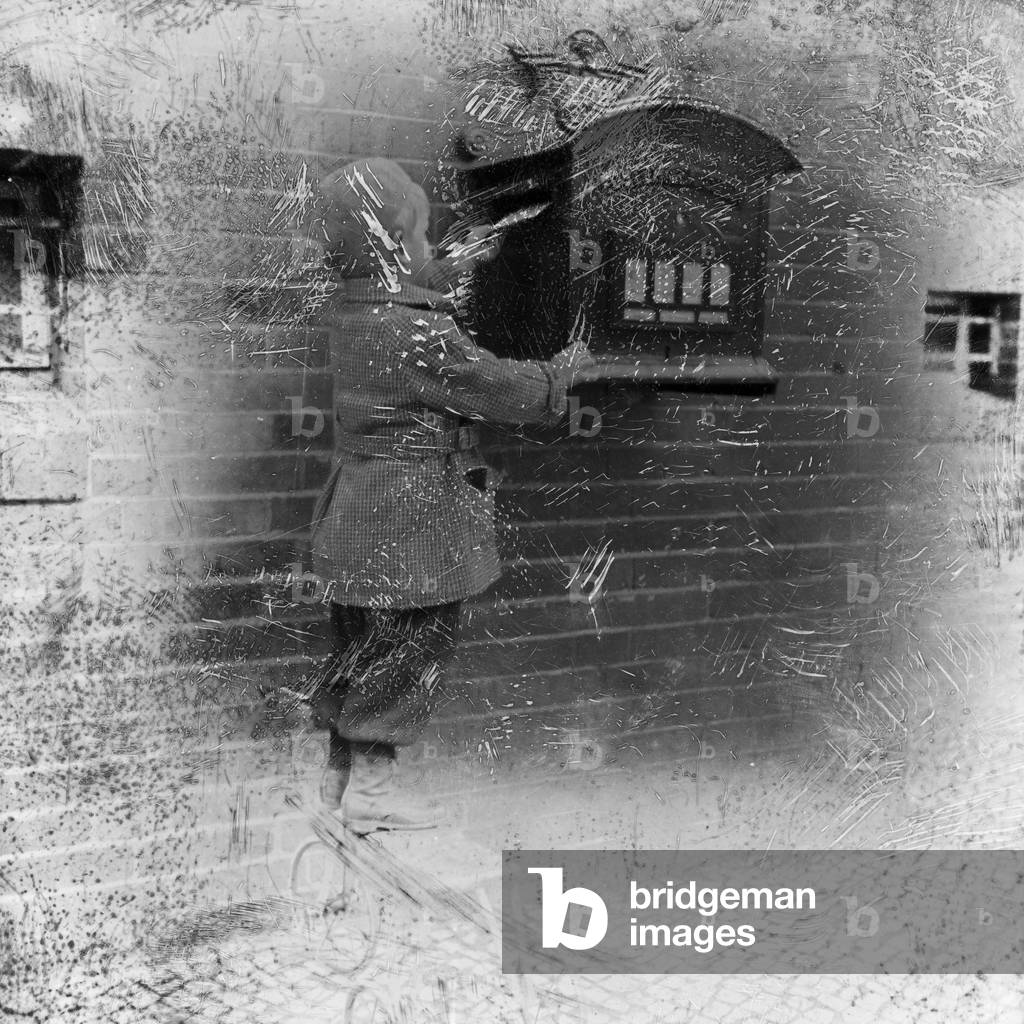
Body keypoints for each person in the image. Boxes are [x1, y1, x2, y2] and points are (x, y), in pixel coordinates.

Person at [305, 156, 594, 832]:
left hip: (358, 514)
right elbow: (498, 388)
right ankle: (372, 799)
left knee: (360, 648)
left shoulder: (355, 309)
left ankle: (339, 781)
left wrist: (452, 263)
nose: (429, 249)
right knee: (410, 651)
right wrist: (563, 371)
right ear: (394, 247)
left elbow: (402, 295)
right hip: (411, 524)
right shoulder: (418, 335)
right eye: (421, 238)